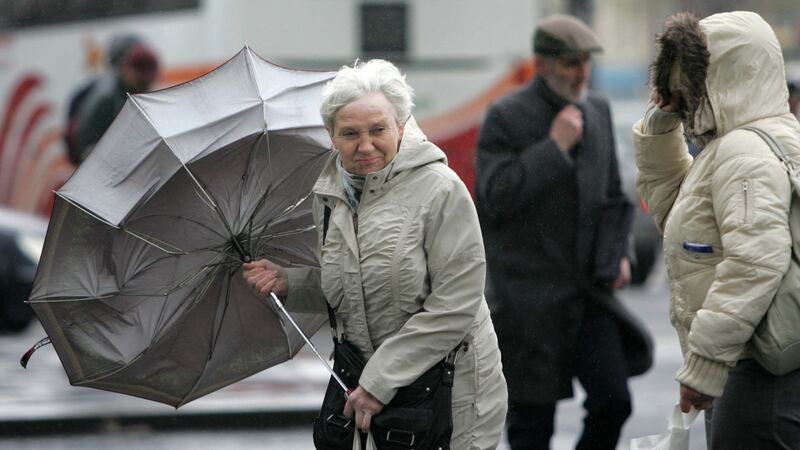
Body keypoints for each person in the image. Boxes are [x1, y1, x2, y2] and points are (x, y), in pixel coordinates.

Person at [242, 59, 508, 449]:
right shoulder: (329, 195)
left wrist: (379, 381)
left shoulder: (441, 190)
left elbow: (456, 304)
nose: (365, 145)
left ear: (400, 125)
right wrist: (290, 283)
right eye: (350, 133)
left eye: (378, 129)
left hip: (450, 393)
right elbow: (357, 287)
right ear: (331, 136)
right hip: (373, 391)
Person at [635, 11, 800, 449]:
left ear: (723, 76)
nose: (686, 97)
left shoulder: (743, 152)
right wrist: (661, 124)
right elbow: (678, 216)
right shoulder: (752, 139)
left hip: (754, 372)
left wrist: (705, 366)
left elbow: (755, 262)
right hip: (757, 365)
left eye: (692, 82)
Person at [476, 14, 641, 450]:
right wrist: (554, 148)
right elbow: (494, 198)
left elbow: (612, 197)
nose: (582, 72)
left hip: (588, 295)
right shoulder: (506, 115)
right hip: (527, 301)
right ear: (543, 64)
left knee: (614, 402)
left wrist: (620, 254)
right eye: (571, 62)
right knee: (532, 426)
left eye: (586, 61)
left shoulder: (597, 109)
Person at [66, 35, 159, 165]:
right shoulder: (108, 99)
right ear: (126, 69)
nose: (146, 79)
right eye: (141, 73)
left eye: (150, 73)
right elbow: (88, 146)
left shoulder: (127, 93)